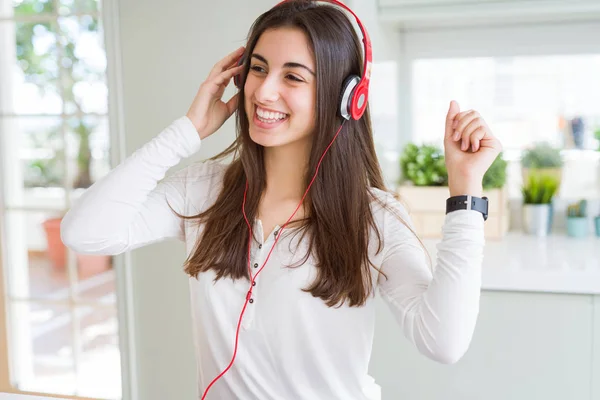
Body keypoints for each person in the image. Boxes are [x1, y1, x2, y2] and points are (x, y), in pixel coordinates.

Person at [61, 1, 502, 399]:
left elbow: (444, 341)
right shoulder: (204, 191)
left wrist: (466, 192)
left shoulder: (374, 218)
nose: (264, 91)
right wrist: (188, 130)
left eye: (292, 76)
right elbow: (84, 232)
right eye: (257, 68)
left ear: (347, 98)